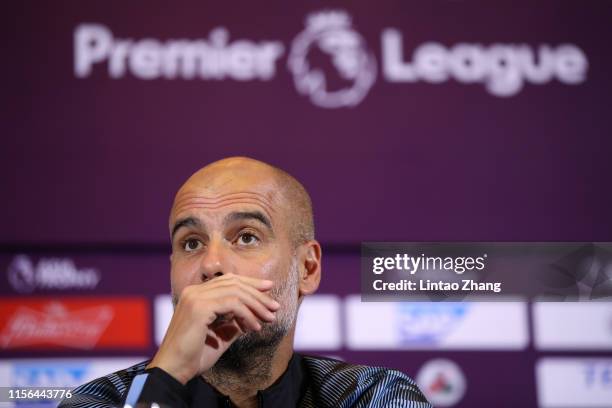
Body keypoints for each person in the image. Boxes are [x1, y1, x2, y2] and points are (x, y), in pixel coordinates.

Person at [60, 157, 431, 408]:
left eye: (247, 237)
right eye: (191, 243)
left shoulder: (369, 396)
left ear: (308, 269)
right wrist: (166, 376)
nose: (212, 264)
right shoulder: (101, 400)